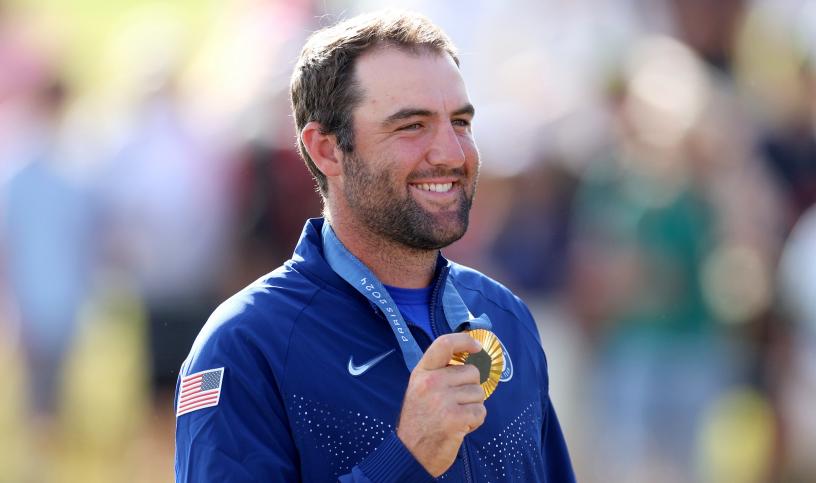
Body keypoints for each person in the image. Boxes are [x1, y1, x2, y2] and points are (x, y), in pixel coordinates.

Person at [174, 10, 575, 482]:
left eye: (461, 123)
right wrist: (406, 458)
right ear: (326, 150)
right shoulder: (247, 343)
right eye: (412, 126)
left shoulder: (507, 317)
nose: (451, 152)